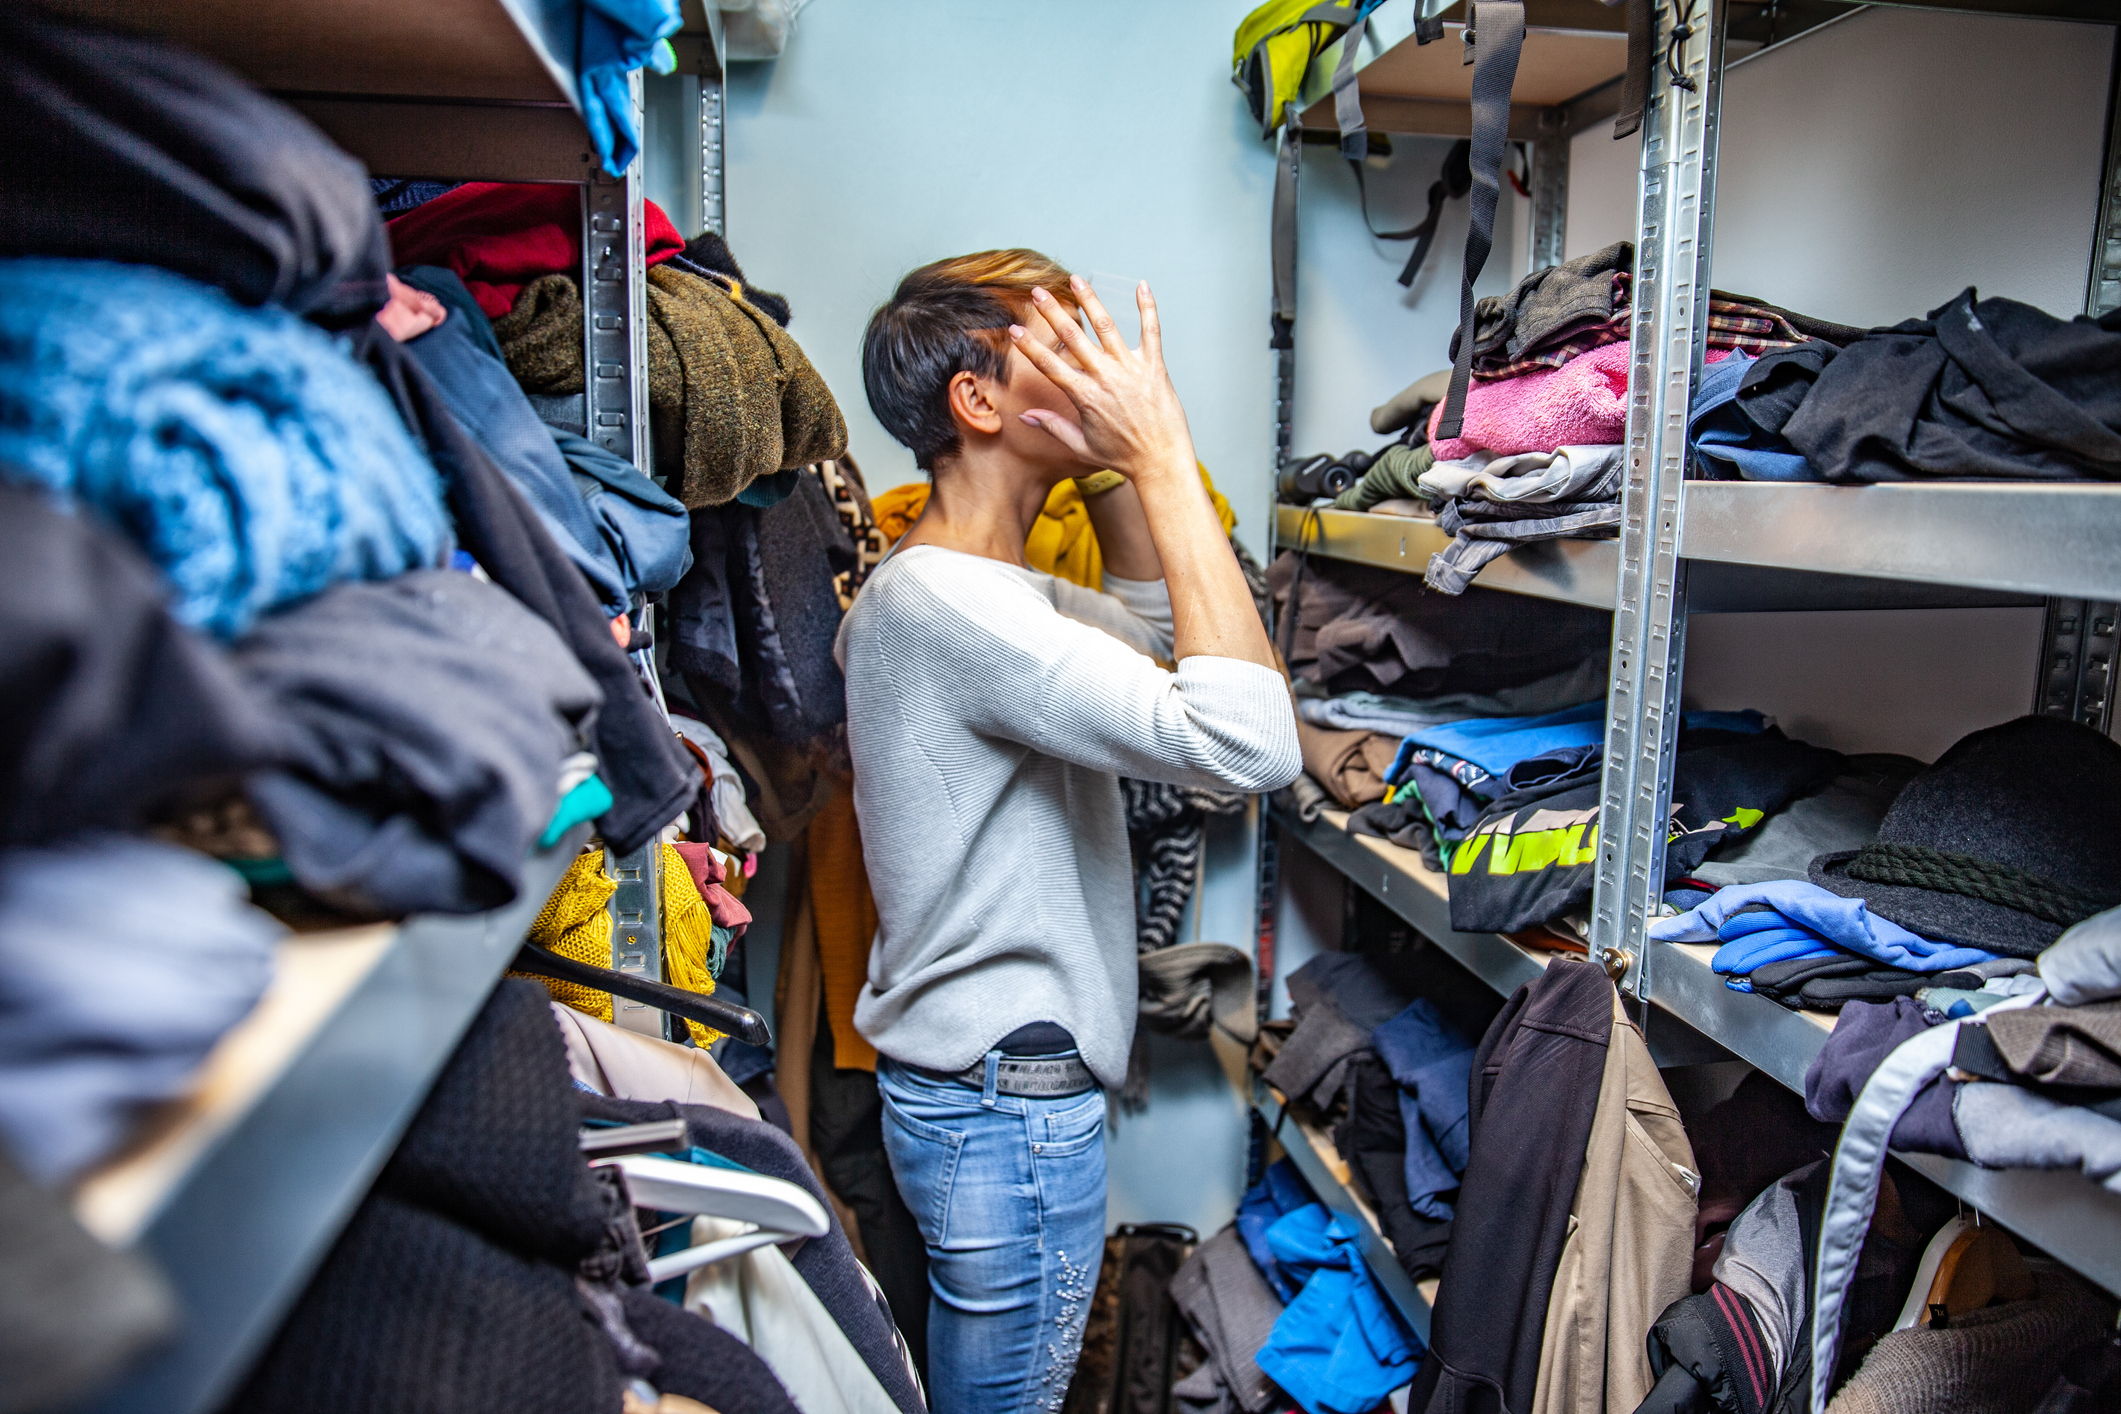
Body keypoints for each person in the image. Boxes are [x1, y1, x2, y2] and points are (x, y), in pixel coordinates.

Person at [839, 248, 1300, 1413]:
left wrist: (1120, 467)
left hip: (985, 1094)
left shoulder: (988, 593)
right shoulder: (952, 607)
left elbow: (1181, 640)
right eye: (1058, 344)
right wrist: (1159, 452)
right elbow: (1252, 742)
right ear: (976, 400)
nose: (1098, 367)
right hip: (1004, 1107)